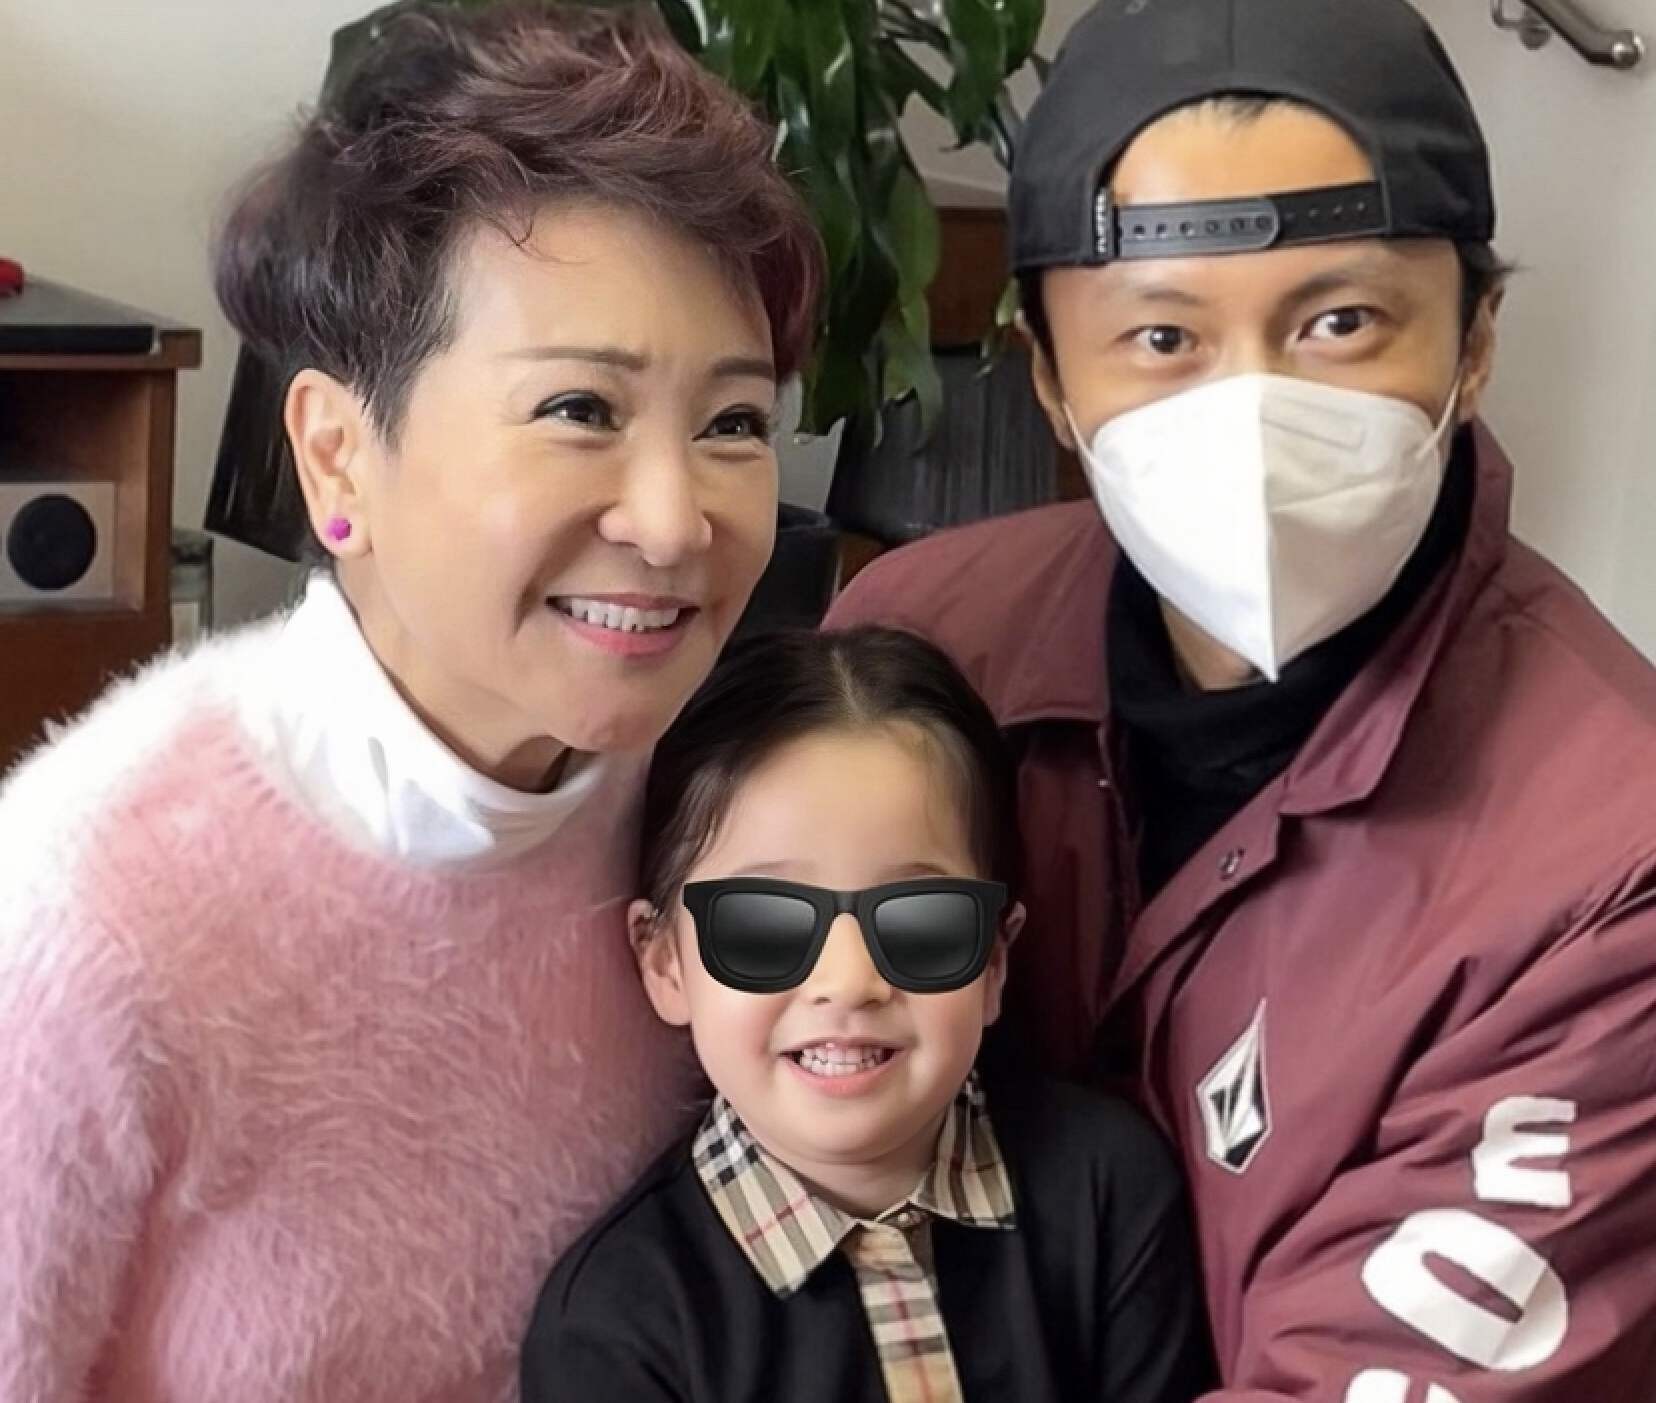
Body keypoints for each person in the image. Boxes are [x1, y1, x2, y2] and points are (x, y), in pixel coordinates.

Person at [828, 0, 1656, 1397]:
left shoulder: (1606, 861)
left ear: (1474, 342)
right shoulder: (914, 651)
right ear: (1049, 379)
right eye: (1162, 337)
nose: (1251, 414)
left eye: (1341, 321)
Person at [0, 6, 821, 1401]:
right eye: (580, 409)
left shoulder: (736, 814)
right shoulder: (87, 918)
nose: (676, 519)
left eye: (733, 423)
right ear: (337, 455)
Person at [521, 627, 1215, 1402]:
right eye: (765, 923)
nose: (850, 982)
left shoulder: (1108, 1191)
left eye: (920, 920)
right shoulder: (616, 1324)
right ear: (665, 962)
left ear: (994, 959)